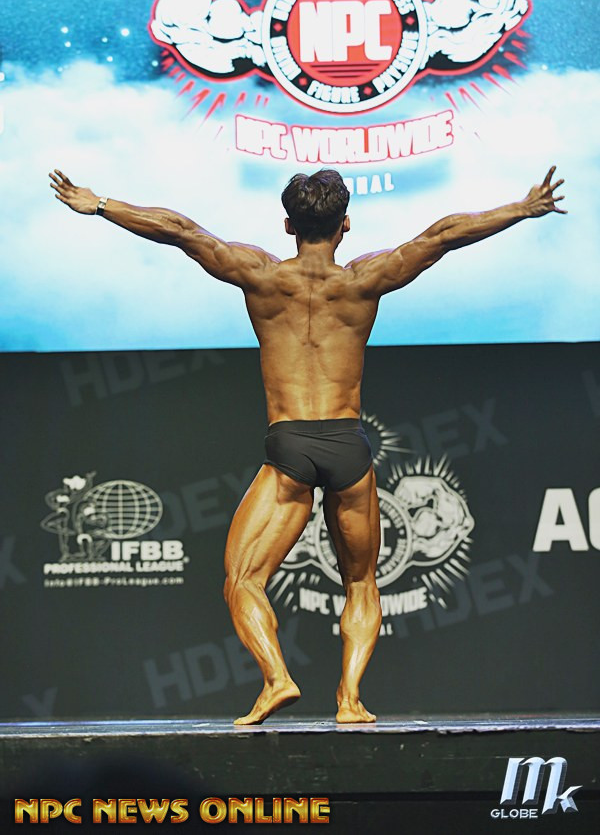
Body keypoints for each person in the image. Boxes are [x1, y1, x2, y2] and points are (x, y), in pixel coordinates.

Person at [49, 165, 566, 724]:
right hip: (348, 445)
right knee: (361, 581)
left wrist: (100, 204)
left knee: (243, 579)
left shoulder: (260, 276)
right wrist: (522, 208)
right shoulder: (365, 279)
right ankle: (350, 699)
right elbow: (444, 235)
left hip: (290, 444)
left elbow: (180, 231)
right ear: (346, 224)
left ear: (288, 224)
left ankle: (276, 678)